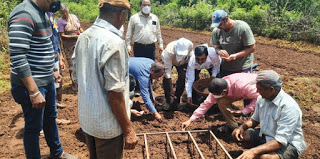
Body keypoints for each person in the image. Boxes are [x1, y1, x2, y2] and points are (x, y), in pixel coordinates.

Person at [8, 0, 76, 158]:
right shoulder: (24, 14)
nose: (57, 2)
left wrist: (52, 69)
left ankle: (57, 153)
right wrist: (33, 92)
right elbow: (18, 57)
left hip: (47, 81)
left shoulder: (43, 13)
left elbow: (45, 44)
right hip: (31, 86)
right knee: (33, 127)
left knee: (50, 118)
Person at [72, 0, 138, 158]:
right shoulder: (114, 43)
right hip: (107, 126)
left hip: (88, 120)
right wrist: (128, 130)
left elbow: (75, 75)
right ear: (122, 15)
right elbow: (115, 94)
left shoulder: (84, 36)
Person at [232, 70, 306, 159]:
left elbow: (281, 141)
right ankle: (261, 150)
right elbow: (254, 120)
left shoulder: (288, 107)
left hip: (287, 143)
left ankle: (262, 152)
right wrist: (242, 127)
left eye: (259, 89)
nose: (257, 91)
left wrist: (254, 151)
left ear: (271, 89)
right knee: (240, 134)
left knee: (265, 158)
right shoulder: (261, 98)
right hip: (266, 135)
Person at [182, 73, 259, 132]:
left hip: (257, 88)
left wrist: (243, 111)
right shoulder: (218, 87)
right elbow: (206, 105)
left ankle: (255, 129)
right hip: (237, 92)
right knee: (221, 101)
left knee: (260, 109)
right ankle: (233, 126)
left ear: (224, 92)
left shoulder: (245, 87)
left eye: (216, 95)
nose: (214, 97)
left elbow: (258, 99)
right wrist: (190, 120)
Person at [210, 10, 256, 77]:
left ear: (226, 19)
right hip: (225, 67)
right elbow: (216, 47)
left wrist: (235, 56)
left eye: (220, 24)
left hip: (243, 67)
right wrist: (219, 51)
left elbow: (252, 48)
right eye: (216, 25)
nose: (218, 27)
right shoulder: (216, 31)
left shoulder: (242, 28)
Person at [129, 57, 165, 122]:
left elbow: (149, 84)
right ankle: (126, 109)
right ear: (152, 71)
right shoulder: (143, 76)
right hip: (120, 70)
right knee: (130, 93)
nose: (156, 79)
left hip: (127, 61)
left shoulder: (151, 62)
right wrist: (155, 113)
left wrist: (153, 100)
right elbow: (145, 96)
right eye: (156, 76)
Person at [162, 38, 193, 110]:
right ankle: (168, 100)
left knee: (182, 76)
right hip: (171, 60)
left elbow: (190, 61)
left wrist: (184, 70)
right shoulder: (169, 51)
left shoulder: (190, 47)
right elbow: (168, 73)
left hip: (184, 62)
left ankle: (177, 99)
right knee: (166, 78)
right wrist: (170, 91)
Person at [58, 3, 83, 91]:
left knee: (80, 63)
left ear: (67, 10)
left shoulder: (74, 17)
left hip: (79, 43)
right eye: (62, 13)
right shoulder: (60, 22)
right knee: (72, 65)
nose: (65, 14)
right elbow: (62, 35)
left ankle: (81, 82)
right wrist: (73, 37)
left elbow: (79, 28)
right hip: (69, 46)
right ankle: (74, 84)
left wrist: (84, 34)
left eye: (65, 12)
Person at [48, 12, 66, 108]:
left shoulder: (53, 19)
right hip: (48, 57)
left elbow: (56, 39)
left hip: (55, 54)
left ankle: (55, 103)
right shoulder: (44, 17)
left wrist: (60, 56)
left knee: (58, 82)